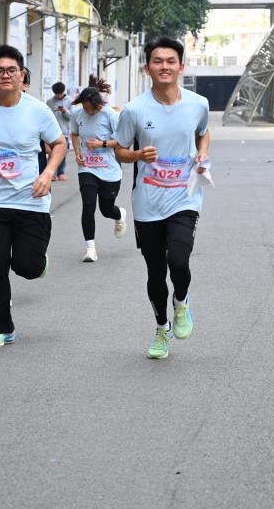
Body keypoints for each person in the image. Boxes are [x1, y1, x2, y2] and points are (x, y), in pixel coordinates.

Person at [0, 45, 66, 348]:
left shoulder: (38, 111)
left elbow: (59, 144)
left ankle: (38, 263)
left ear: (22, 75)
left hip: (31, 200)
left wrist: (48, 173)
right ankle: (3, 327)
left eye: (11, 70)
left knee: (27, 266)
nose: (5, 75)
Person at [114, 36, 210, 360]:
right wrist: (138, 154)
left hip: (184, 197)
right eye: (158, 61)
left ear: (181, 66)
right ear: (147, 68)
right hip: (147, 203)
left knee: (178, 260)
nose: (164, 66)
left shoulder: (198, 104)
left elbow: (203, 132)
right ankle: (161, 328)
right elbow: (119, 151)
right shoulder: (134, 110)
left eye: (171, 61)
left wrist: (202, 153)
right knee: (155, 272)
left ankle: (181, 302)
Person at [69, 84, 127, 262]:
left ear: (98, 105)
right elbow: (74, 134)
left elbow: (123, 140)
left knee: (106, 210)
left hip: (109, 170)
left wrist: (102, 144)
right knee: (88, 206)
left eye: (91, 109)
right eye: (85, 108)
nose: (88, 111)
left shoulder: (110, 115)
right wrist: (77, 152)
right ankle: (90, 249)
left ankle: (119, 214)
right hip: (87, 168)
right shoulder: (77, 114)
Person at [46, 82, 72, 180]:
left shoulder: (69, 101)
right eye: (56, 94)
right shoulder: (50, 102)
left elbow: (72, 117)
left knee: (62, 152)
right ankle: (52, 173)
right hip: (51, 131)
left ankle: (61, 172)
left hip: (64, 131)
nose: (58, 96)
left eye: (60, 94)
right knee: (52, 152)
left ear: (63, 92)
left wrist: (65, 111)